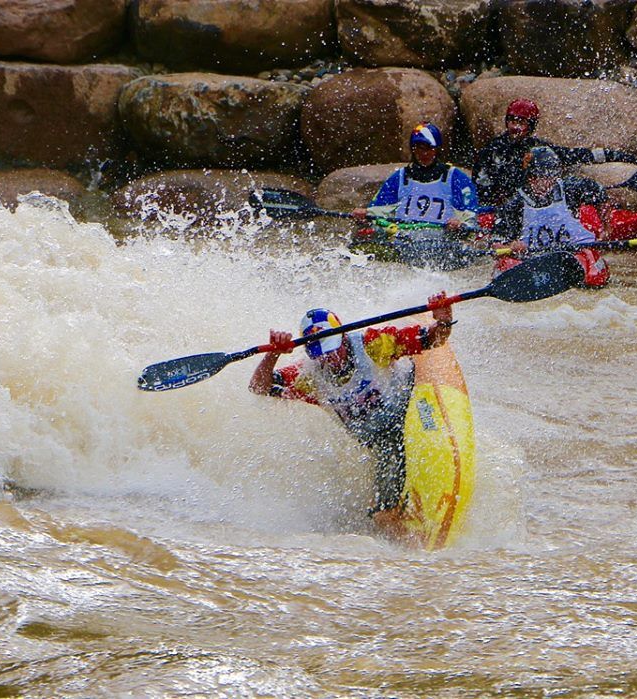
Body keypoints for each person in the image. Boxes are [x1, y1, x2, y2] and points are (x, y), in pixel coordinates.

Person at [249, 296, 453, 536]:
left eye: (332, 349)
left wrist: (444, 322)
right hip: (376, 439)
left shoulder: (372, 344)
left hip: (404, 409)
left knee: (385, 509)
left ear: (344, 337)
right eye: (320, 354)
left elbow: (432, 339)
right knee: (381, 513)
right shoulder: (309, 376)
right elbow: (259, 388)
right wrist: (272, 355)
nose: (329, 359)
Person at [472, 98, 637, 210]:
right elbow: (479, 186)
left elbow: (577, 155)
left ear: (531, 126)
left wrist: (622, 157)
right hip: (501, 210)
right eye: (512, 121)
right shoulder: (492, 150)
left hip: (535, 206)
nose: (515, 127)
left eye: (521, 122)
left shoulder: (540, 150)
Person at [492, 146, 610, 288]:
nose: (550, 181)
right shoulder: (514, 205)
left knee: (592, 276)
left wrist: (605, 228)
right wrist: (511, 246)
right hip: (533, 259)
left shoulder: (571, 187)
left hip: (574, 253)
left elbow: (601, 194)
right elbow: (496, 244)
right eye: (544, 177)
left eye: (552, 176)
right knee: (507, 268)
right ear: (531, 178)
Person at [352, 122, 479, 233]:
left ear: (437, 149)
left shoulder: (455, 178)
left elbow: (470, 218)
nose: (424, 154)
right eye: (419, 148)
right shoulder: (400, 177)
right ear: (413, 150)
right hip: (404, 239)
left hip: (443, 243)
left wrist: (461, 226)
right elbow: (377, 212)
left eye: (429, 148)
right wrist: (365, 215)